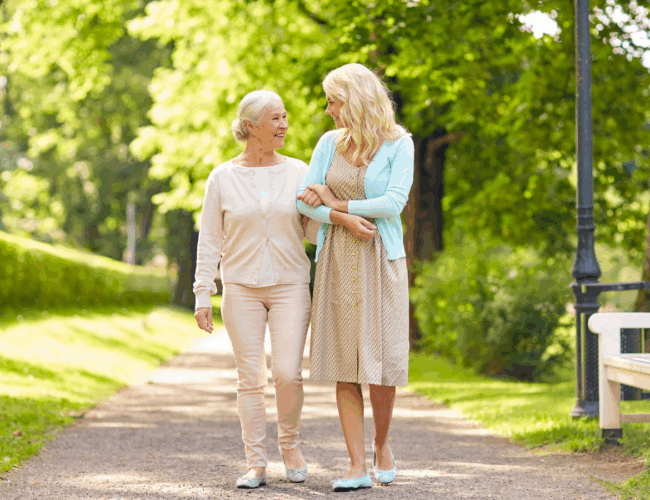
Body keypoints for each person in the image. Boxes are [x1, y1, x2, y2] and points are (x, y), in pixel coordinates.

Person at [297, 63, 414, 492]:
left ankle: (382, 447)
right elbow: (304, 199)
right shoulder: (329, 143)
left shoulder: (400, 144)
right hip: (337, 259)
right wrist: (337, 218)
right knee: (345, 363)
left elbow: (393, 203)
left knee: (380, 363)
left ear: (358, 100)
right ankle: (355, 465)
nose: (328, 110)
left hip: (383, 259)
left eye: (334, 101)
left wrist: (336, 203)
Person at [194, 90, 312, 489]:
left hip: (290, 283)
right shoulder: (222, 177)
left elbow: (312, 232)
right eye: (275, 119)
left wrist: (321, 206)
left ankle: (290, 445)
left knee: (287, 373)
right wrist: (202, 292)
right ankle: (256, 463)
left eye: (284, 117)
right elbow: (210, 238)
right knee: (249, 379)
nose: (284, 125)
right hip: (240, 287)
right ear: (251, 127)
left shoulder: (299, 170)